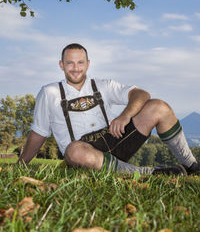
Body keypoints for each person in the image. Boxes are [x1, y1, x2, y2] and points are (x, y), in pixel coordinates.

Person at [19, 43, 200, 175]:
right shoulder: (49, 92)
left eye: (80, 63)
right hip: (82, 154)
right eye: (70, 63)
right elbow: (39, 132)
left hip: (114, 139)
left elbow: (142, 94)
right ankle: (149, 173)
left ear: (88, 64)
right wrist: (22, 164)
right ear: (61, 65)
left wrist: (125, 116)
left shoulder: (102, 85)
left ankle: (192, 166)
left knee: (159, 107)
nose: (76, 68)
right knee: (74, 149)